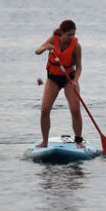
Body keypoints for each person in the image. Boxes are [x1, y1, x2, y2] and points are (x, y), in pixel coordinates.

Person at [34, 20, 83, 148]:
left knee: (75, 109)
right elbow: (37, 51)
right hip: (53, 79)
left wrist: (75, 81)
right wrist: (45, 48)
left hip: (69, 80)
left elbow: (79, 67)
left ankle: (78, 141)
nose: (71, 37)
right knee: (44, 110)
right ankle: (45, 141)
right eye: (69, 35)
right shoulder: (53, 39)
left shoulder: (76, 46)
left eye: (73, 34)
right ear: (62, 33)